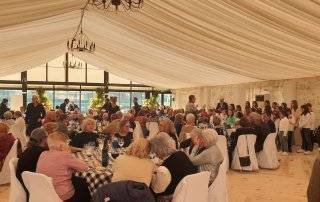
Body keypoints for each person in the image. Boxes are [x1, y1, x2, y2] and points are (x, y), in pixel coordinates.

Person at [36, 132, 91, 202]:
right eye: (67, 143)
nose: (68, 145)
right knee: (83, 187)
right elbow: (85, 167)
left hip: (44, 193)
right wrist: (68, 153)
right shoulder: (65, 155)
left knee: (77, 181)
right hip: (62, 196)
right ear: (62, 146)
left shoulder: (43, 154)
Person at [150, 132, 196, 199]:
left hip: (175, 194)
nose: (155, 154)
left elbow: (159, 189)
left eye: (155, 151)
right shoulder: (181, 154)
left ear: (159, 150)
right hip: (191, 190)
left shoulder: (165, 166)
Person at [16, 128, 48, 198]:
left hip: (22, 181)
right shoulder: (42, 152)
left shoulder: (28, 149)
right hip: (33, 184)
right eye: (47, 137)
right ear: (43, 139)